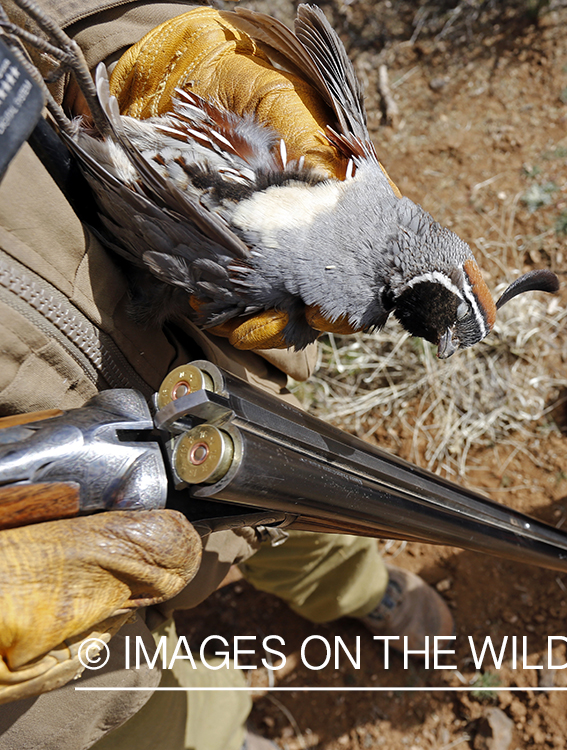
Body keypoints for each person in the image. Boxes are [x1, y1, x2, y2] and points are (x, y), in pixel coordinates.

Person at [0, 1, 453, 748]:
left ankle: (362, 592)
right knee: (168, 716)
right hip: (66, 621)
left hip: (194, 347)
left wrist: (141, 52)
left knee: (311, 490)